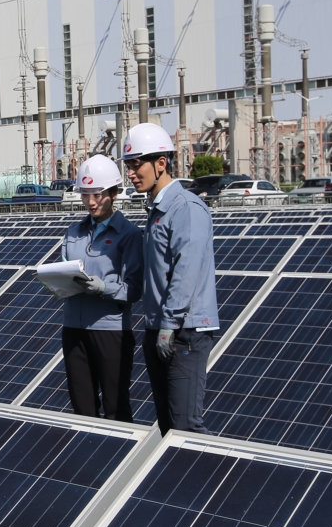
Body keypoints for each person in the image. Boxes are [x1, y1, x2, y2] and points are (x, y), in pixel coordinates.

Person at [121, 123, 219, 435]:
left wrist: (170, 324)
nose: (132, 174)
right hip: (159, 329)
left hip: (184, 333)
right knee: (167, 425)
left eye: (137, 165)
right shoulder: (157, 209)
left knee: (186, 427)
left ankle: (208, 481)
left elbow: (185, 270)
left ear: (161, 163)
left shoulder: (186, 208)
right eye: (128, 167)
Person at [59, 154, 143, 422]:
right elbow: (65, 270)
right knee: (82, 408)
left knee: (116, 406)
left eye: (97, 195)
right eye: (85, 195)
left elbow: (135, 288)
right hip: (73, 327)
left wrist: (104, 287)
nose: (91, 202)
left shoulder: (128, 234)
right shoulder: (73, 232)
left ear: (114, 193)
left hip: (110, 330)